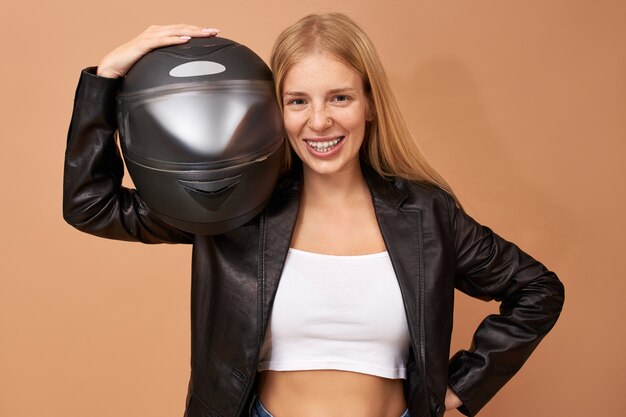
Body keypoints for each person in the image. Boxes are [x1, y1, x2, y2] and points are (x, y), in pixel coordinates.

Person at [63, 13, 564, 417]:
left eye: (340, 97)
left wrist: (458, 387)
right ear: (272, 110)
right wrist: (105, 81)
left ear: (369, 104)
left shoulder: (426, 214)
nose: (319, 120)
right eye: (297, 101)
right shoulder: (236, 206)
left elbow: (537, 290)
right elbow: (92, 205)